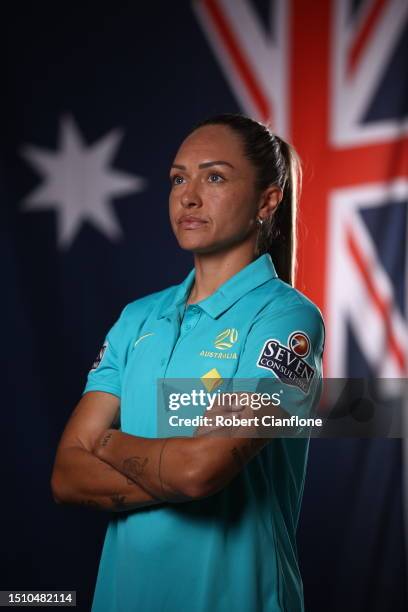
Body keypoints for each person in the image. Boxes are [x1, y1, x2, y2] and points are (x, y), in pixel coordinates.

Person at [51, 113, 325, 612]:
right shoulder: (137, 319)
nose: (189, 196)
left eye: (214, 177)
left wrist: (103, 442)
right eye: (179, 178)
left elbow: (201, 470)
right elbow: (67, 476)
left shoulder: (287, 319)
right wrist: (174, 466)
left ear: (268, 200)